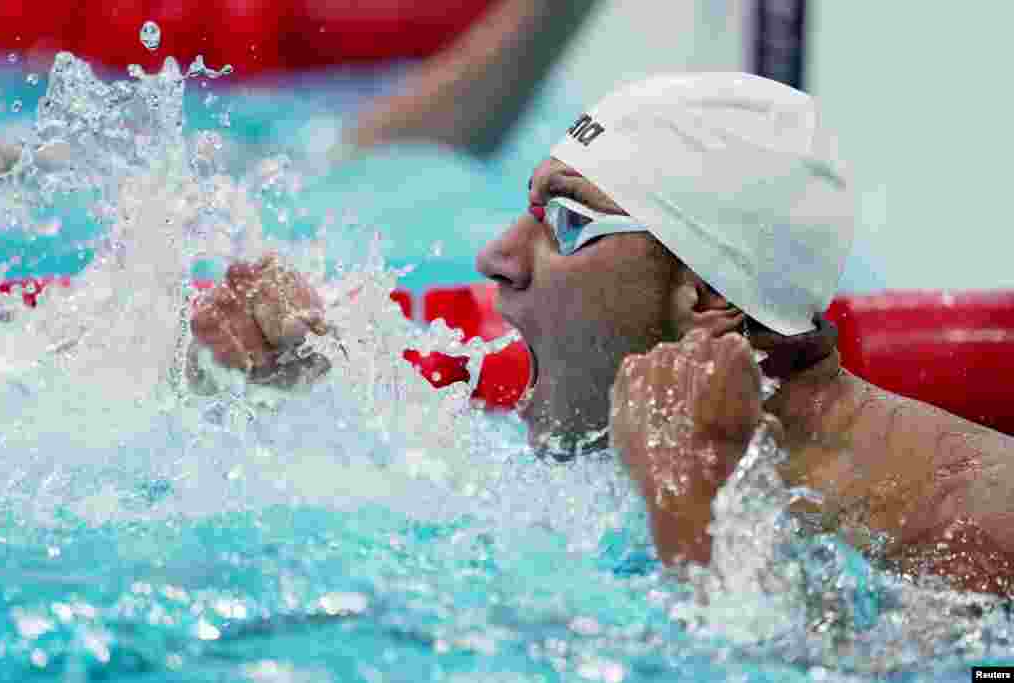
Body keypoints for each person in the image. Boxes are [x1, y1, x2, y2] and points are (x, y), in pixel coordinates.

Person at [191, 72, 1014, 598]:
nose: (498, 257)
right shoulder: (615, 449)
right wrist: (296, 391)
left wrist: (688, 513)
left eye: (568, 222)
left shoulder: (972, 521)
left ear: (707, 298)